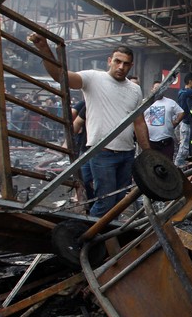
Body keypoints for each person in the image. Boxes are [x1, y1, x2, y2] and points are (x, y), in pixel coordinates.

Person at [30, 34, 149, 217]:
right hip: (102, 153)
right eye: (117, 61)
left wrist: (148, 154)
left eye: (126, 64)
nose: (121, 67)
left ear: (131, 66)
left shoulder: (135, 89)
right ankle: (85, 237)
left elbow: (139, 122)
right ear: (109, 60)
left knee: (118, 203)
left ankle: (107, 240)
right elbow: (60, 76)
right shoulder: (94, 78)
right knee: (105, 203)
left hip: (127, 153)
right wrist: (45, 50)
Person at [145, 81, 185, 160]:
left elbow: (181, 112)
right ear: (152, 89)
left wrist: (174, 123)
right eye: (156, 88)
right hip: (150, 141)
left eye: (161, 88)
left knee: (167, 165)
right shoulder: (145, 102)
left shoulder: (170, 102)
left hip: (166, 142)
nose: (158, 90)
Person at [174, 72, 192, 166]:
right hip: (186, 123)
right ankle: (177, 167)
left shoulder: (187, 93)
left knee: (187, 147)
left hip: (189, 124)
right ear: (190, 82)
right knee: (184, 148)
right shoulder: (185, 93)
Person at [71, 100, 94, 200]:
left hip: (90, 146)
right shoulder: (88, 103)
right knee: (84, 179)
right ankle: (84, 200)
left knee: (86, 179)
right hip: (86, 145)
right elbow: (76, 121)